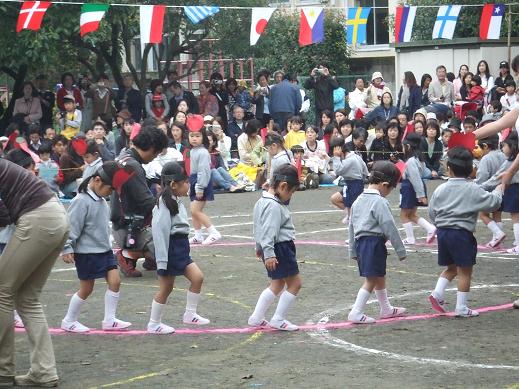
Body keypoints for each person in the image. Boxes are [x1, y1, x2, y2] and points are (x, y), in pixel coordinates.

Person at [0, 159, 69, 388]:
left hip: (38, 218)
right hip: (55, 215)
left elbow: (2, 215)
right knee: (27, 299)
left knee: (2, 290)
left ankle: (3, 370)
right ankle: (44, 372)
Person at [428, 147, 503, 317]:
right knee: (465, 271)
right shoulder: (472, 189)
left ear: (449, 168)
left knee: (451, 268)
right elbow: (493, 203)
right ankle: (461, 307)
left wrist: (441, 225)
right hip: (461, 234)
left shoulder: (440, 189)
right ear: (471, 169)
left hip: (443, 233)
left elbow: (432, 212)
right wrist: (499, 189)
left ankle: (437, 293)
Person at [60, 162, 132, 333]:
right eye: (110, 189)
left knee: (115, 281)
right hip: (87, 253)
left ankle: (109, 320)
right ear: (97, 180)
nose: (111, 193)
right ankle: (69, 320)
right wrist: (67, 247)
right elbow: (71, 226)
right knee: (86, 289)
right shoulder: (80, 201)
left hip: (104, 251)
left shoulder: (100, 200)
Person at [147, 161, 210, 334]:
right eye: (186, 182)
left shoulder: (176, 200)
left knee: (197, 278)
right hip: (170, 251)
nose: (189, 185)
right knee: (166, 288)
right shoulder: (163, 204)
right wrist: (161, 262)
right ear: (174, 185)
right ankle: (154, 323)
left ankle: (190, 314)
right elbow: (160, 234)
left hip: (181, 249)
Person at [347, 161, 406, 324]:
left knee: (379, 275)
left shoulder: (358, 199)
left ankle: (386, 308)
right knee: (371, 280)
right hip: (373, 243)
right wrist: (400, 250)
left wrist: (352, 250)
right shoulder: (380, 201)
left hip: (362, 244)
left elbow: (351, 226)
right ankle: (356, 312)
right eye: (391, 188)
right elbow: (389, 226)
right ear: (385, 184)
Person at [249, 164, 301, 331]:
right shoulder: (274, 206)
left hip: (271, 248)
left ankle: (256, 317)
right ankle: (278, 319)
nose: (290, 196)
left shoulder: (262, 201)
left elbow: (258, 227)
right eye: (291, 192)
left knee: (276, 284)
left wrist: (260, 247)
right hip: (280, 248)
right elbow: (269, 230)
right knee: (295, 284)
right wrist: (269, 253)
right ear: (283, 186)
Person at [111, 125, 169, 277]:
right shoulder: (133, 166)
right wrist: (168, 200)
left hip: (121, 224)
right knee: (171, 238)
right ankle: (128, 255)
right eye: (156, 153)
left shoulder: (123, 157)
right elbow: (147, 203)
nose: (155, 157)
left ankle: (148, 256)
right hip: (129, 230)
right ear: (151, 148)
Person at [186, 115, 222, 245]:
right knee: (193, 209)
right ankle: (198, 235)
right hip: (195, 181)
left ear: (203, 137)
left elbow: (204, 172)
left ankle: (214, 232)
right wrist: (192, 186)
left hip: (202, 182)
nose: (194, 139)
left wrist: (200, 187)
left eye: (197, 136)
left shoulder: (202, 152)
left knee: (196, 210)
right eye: (192, 136)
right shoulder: (193, 151)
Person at [400, 133, 436, 245]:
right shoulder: (419, 159)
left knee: (404, 214)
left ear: (408, 147)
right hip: (415, 187)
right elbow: (426, 173)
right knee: (411, 214)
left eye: (403, 146)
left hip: (410, 187)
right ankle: (430, 228)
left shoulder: (411, 161)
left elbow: (415, 178)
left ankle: (410, 238)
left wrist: (421, 195)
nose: (402, 149)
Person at [475, 134, 506, 247]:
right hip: (502, 190)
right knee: (497, 215)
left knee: (483, 214)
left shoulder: (486, 158)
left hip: (489, 191)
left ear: (485, 146)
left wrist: (477, 186)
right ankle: (497, 240)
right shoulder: (503, 155)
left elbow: (482, 176)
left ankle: (498, 234)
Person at [330, 136, 368, 224]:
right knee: (335, 199)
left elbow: (338, 170)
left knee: (353, 210)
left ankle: (354, 232)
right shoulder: (353, 156)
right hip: (350, 183)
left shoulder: (351, 159)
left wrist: (336, 157)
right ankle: (349, 214)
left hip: (355, 184)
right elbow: (365, 170)